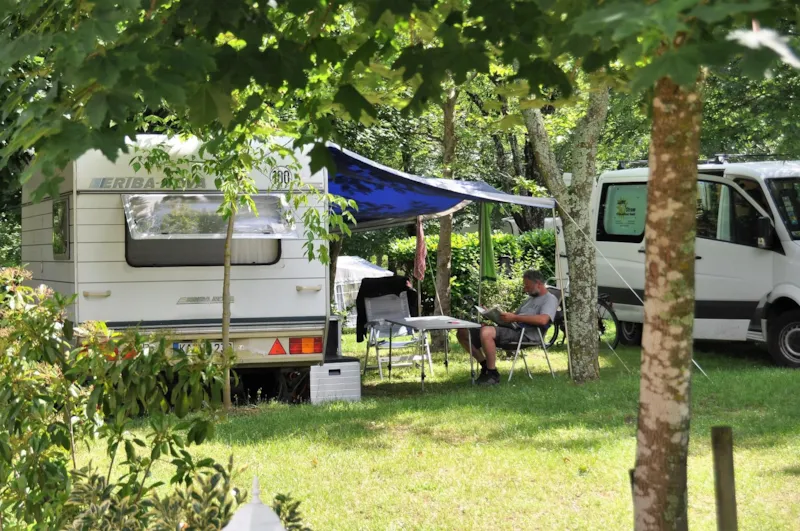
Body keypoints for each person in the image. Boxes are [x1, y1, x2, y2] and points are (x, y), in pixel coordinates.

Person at [456, 269, 559, 385]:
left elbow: (543, 320)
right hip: (513, 329)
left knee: (486, 332)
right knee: (463, 332)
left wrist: (515, 318)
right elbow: (514, 317)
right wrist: (492, 315)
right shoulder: (529, 300)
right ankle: (485, 365)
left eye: (527, 286)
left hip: (526, 334)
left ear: (538, 284)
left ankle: (492, 374)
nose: (525, 289)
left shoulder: (550, 299)